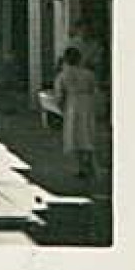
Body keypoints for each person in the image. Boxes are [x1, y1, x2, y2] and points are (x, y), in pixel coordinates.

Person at [52, 47, 100, 181]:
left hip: (72, 105)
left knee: (74, 136)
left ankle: (80, 167)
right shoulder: (88, 74)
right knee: (87, 133)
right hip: (87, 104)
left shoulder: (63, 75)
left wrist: (60, 107)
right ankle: (89, 163)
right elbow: (95, 90)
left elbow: (59, 94)